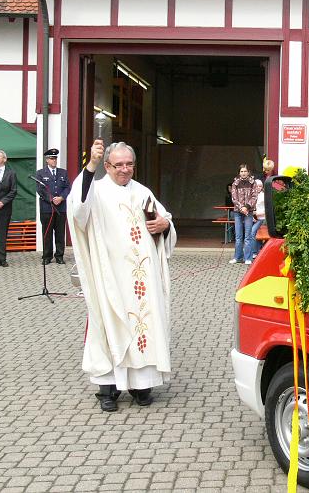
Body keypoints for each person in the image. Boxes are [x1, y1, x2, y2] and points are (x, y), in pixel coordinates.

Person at [68, 139, 176, 413]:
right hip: (110, 276)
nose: (124, 170)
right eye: (118, 165)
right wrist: (90, 166)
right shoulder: (97, 190)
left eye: (129, 164)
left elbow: (164, 220)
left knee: (144, 325)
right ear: (107, 166)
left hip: (142, 279)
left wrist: (164, 225)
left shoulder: (142, 192)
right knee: (110, 326)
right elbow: (78, 210)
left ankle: (142, 387)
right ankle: (108, 390)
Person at [36, 148, 71, 264]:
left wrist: (61, 198)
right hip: (47, 208)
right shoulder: (40, 173)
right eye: (52, 158)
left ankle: (59, 255)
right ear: (47, 160)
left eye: (55, 158)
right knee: (47, 233)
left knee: (60, 232)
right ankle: (47, 256)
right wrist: (51, 199)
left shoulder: (63, 172)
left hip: (61, 208)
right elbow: (40, 190)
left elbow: (67, 187)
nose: (54, 160)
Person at [230, 164, 258, 265]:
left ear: (248, 172)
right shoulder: (235, 183)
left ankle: (248, 258)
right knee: (238, 236)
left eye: (245, 171)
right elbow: (234, 198)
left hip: (248, 212)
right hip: (238, 211)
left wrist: (246, 207)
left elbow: (254, 196)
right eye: (241, 171)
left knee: (248, 236)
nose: (243, 173)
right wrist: (242, 207)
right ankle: (237, 257)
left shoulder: (253, 183)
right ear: (239, 173)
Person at [250, 179, 266, 258]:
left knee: (253, 233)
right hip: (254, 218)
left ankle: (254, 252)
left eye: (260, 186)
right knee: (256, 234)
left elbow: (267, 210)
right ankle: (258, 251)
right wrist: (252, 216)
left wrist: (256, 213)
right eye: (257, 186)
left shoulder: (263, 196)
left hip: (262, 219)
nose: (258, 188)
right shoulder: (252, 195)